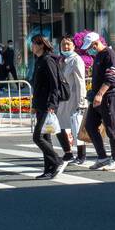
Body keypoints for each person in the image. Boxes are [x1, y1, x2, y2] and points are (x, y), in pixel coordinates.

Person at [83, 32, 115, 170]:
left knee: (112, 128)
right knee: (90, 125)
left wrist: (100, 94)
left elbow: (110, 77)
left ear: (96, 43)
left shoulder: (109, 54)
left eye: (90, 46)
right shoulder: (98, 55)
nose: (89, 50)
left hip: (109, 95)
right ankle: (102, 157)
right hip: (97, 96)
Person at [28, 34, 65, 179]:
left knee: (38, 137)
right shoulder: (39, 60)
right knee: (45, 136)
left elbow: (54, 85)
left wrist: (52, 105)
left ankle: (57, 160)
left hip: (48, 105)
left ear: (41, 45)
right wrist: (34, 104)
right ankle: (48, 169)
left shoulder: (48, 60)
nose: (32, 47)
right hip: (40, 104)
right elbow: (38, 86)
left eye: (34, 44)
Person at [56, 36, 87, 166]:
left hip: (74, 98)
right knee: (59, 126)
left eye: (68, 44)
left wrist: (81, 101)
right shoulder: (61, 60)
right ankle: (68, 152)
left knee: (76, 127)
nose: (66, 47)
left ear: (74, 46)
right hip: (62, 99)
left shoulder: (76, 60)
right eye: (63, 44)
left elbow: (80, 81)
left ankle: (81, 155)